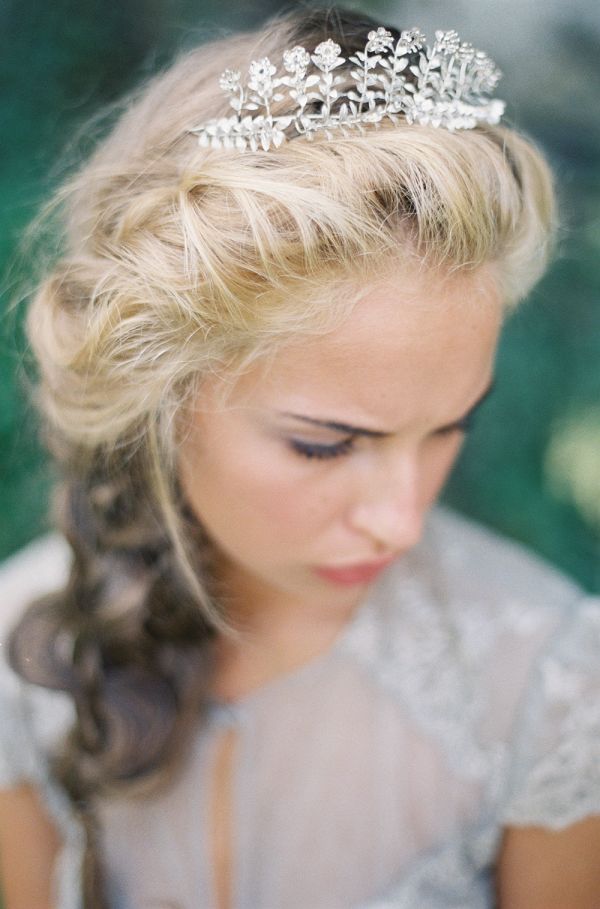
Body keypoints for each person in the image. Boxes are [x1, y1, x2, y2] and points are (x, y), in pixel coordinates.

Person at [0, 6, 598, 909]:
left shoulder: (550, 687)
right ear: (158, 395)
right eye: (324, 444)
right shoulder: (17, 666)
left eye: (449, 429)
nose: (400, 516)